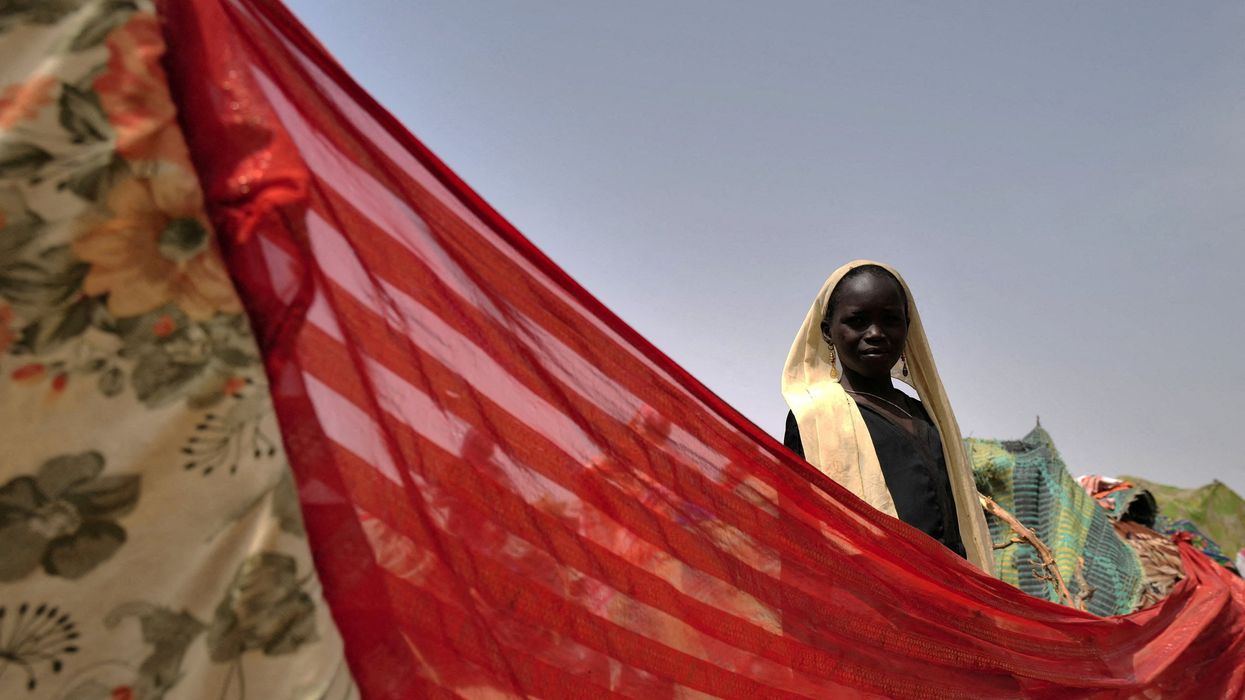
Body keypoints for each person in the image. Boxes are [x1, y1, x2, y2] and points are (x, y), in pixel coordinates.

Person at [780, 260, 995, 574]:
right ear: (828, 331)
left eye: (890, 320)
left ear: (908, 326)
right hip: (869, 608)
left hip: (946, 602)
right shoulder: (814, 419)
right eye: (857, 321)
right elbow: (798, 536)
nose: (876, 333)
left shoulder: (926, 417)